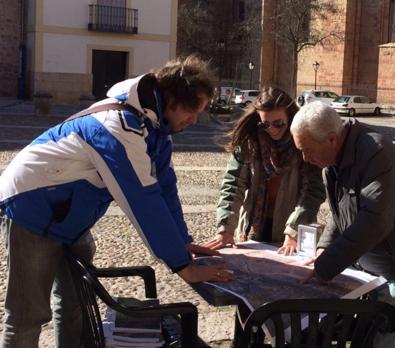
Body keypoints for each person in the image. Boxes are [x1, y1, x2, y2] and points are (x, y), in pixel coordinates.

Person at [0, 54, 235, 348]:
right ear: (170, 97)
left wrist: (182, 242)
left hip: (68, 215)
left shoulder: (156, 129)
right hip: (30, 208)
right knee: (27, 315)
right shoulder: (117, 126)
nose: (194, 119)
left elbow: (165, 189)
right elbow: (143, 200)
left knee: (75, 301)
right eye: (191, 109)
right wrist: (182, 266)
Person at [290, 101, 395, 347]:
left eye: (307, 150)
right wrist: (325, 247)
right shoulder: (331, 162)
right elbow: (340, 214)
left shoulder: (376, 152)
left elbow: (375, 221)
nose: (305, 159)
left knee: (386, 342)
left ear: (331, 139)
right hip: (368, 269)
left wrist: (326, 266)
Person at [204, 87, 325, 255]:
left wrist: (294, 231)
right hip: (253, 229)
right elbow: (233, 185)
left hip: (291, 233)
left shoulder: (303, 145)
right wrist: (225, 229)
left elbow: (313, 192)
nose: (272, 130)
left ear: (290, 117)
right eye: (265, 124)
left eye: (278, 124)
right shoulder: (250, 143)